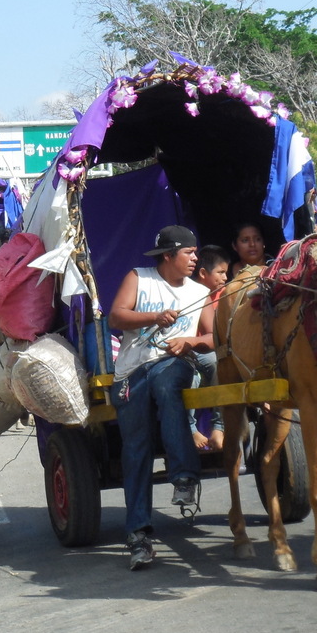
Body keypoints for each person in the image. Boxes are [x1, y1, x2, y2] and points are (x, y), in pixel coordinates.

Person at [108, 225, 214, 571]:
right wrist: (154, 317)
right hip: (131, 372)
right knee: (135, 450)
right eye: (189, 252)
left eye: (196, 252)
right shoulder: (140, 278)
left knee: (168, 385)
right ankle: (138, 536)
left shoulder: (200, 291)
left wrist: (190, 342)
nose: (195, 258)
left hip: (175, 363)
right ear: (168, 256)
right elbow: (116, 315)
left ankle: (184, 476)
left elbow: (214, 337)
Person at [189, 245, 230, 451]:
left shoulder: (227, 294)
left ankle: (220, 426)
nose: (225, 277)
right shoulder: (189, 292)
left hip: (213, 351)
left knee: (218, 363)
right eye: (221, 272)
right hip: (187, 350)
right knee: (189, 377)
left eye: (226, 273)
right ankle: (191, 429)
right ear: (203, 273)